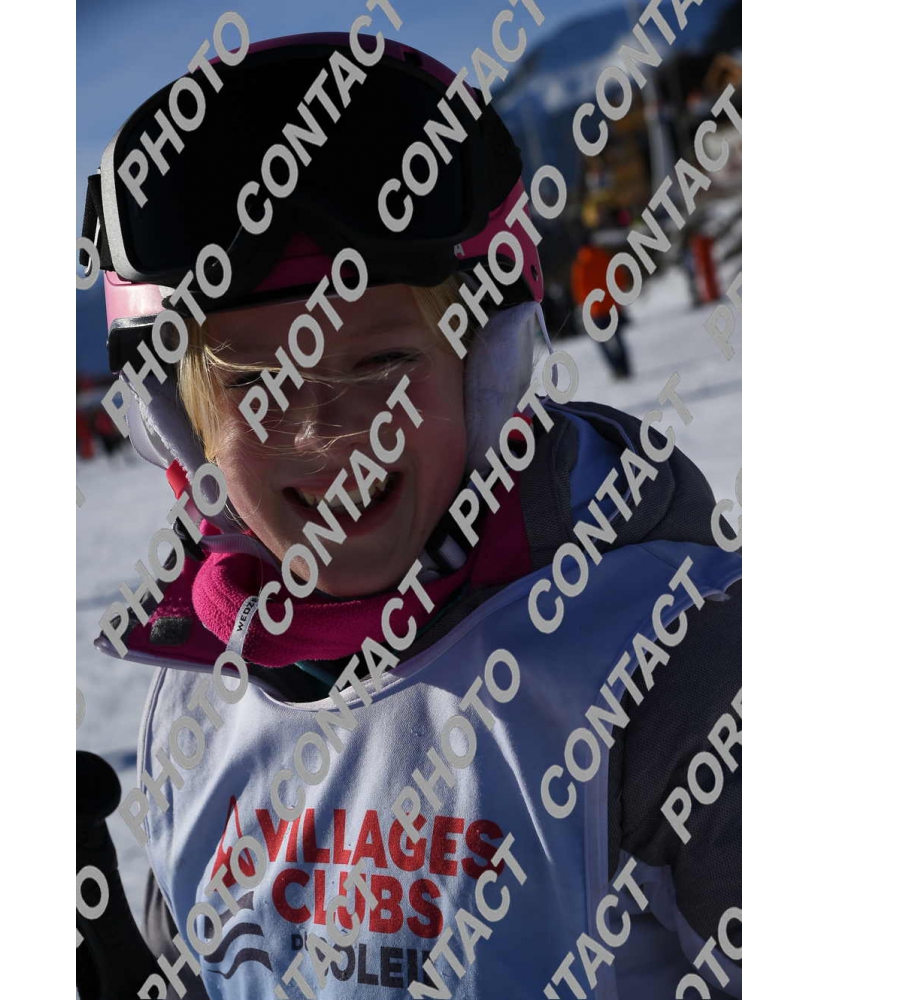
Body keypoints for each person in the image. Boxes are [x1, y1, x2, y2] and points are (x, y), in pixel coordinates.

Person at [81, 33, 741, 999]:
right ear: (182, 435)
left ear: (489, 373)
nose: (324, 429)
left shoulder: (671, 667)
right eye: (255, 385)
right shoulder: (201, 697)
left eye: (384, 361)